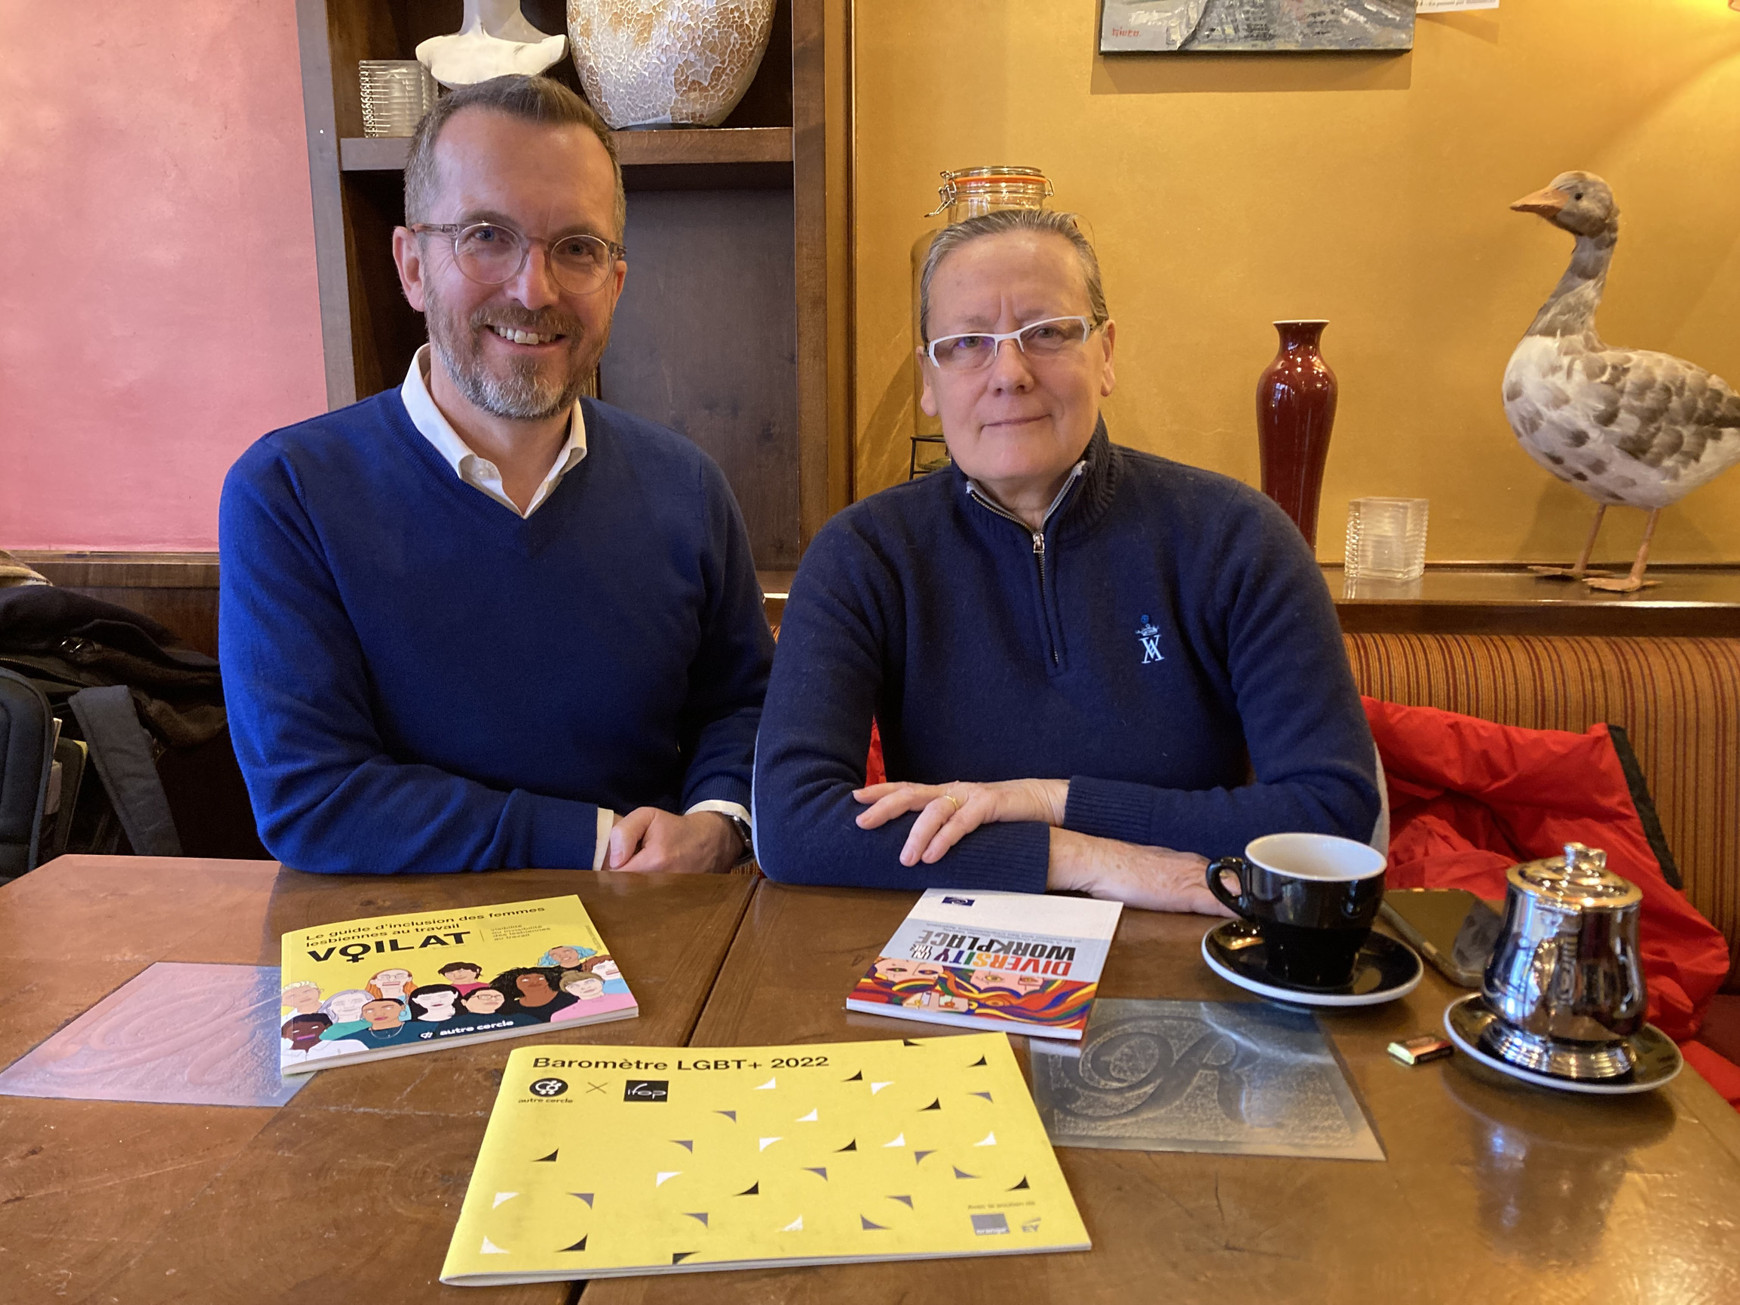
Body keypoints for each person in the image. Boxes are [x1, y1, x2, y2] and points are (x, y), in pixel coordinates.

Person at [220, 74, 771, 876]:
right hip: (400, 956)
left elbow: (743, 703)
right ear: (411, 266)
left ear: (614, 285)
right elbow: (315, 798)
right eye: (486, 235)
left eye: (577, 248)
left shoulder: (684, 485)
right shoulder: (290, 492)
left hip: (659, 937)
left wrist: (719, 819)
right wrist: (595, 841)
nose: (533, 289)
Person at [752, 208, 1381, 911]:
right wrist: (1076, 858)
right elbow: (794, 826)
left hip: (1195, 952)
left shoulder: (1238, 539)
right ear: (928, 378)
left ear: (1106, 353)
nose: (1010, 373)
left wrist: (1049, 801)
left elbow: (1334, 813)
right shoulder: (863, 554)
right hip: (954, 961)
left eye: (1047, 333)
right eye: (966, 343)